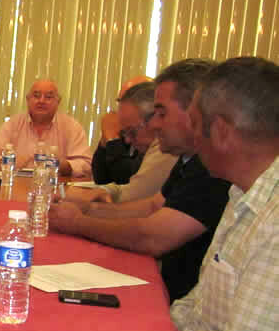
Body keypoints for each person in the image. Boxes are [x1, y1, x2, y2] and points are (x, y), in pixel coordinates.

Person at [171, 56, 278, 331]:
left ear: (220, 131)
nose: (192, 139)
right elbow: (198, 303)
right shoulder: (242, 193)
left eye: (195, 125)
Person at [48, 59, 231, 303]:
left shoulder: (213, 167)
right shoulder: (190, 159)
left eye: (161, 113)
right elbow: (153, 206)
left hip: (181, 301)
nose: (154, 124)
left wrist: (77, 222)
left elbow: (153, 237)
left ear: (195, 112)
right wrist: (88, 209)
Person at [86, 82, 177, 203]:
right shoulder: (136, 130)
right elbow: (102, 178)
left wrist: (112, 139)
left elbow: (131, 193)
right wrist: (104, 191)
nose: (127, 139)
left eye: (132, 132)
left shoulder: (167, 146)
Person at [0, 79, 92, 176]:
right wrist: (4, 164)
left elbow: (86, 164)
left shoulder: (71, 127)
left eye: (48, 97)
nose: (41, 101)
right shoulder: (13, 124)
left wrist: (64, 166)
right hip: (17, 185)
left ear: (58, 102)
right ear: (28, 99)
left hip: (55, 187)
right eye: (36, 96)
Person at [92, 78, 153, 185]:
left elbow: (128, 179)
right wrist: (105, 140)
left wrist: (112, 138)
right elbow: (101, 178)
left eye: (128, 100)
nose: (121, 107)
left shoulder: (155, 137)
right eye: (120, 101)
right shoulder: (126, 128)